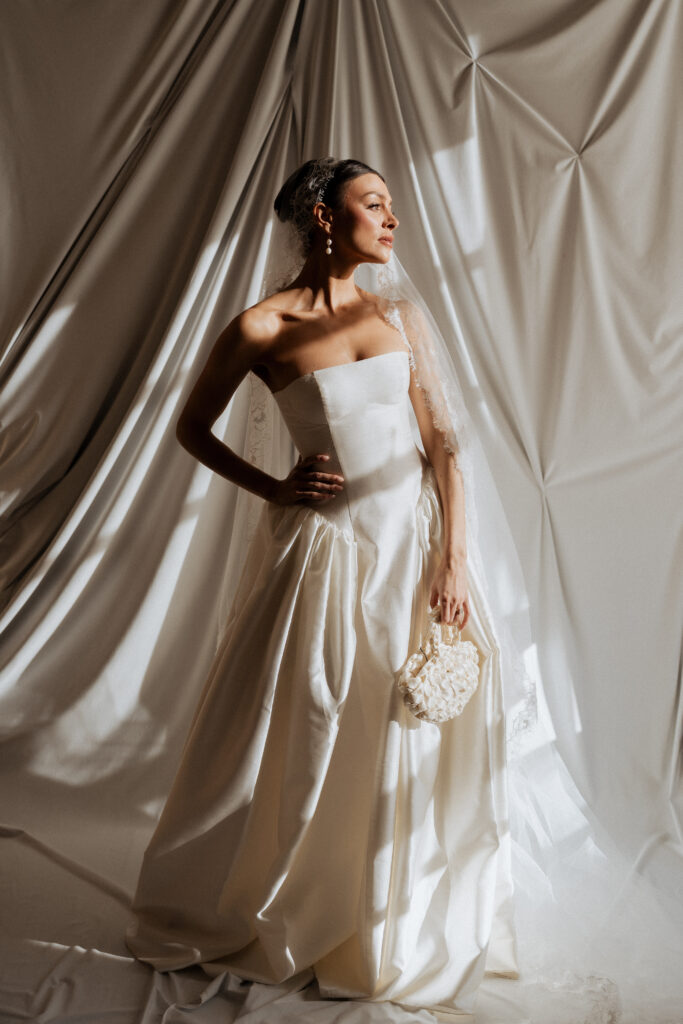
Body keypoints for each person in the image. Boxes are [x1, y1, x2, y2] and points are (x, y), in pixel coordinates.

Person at [125, 157, 521, 1017]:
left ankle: (386, 914)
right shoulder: (261, 327)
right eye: (374, 203)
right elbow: (190, 426)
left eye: (392, 205)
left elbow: (444, 447)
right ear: (321, 214)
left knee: (400, 715)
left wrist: (451, 559)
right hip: (324, 555)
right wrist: (271, 487)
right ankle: (295, 895)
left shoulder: (400, 314)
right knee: (310, 717)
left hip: (408, 549)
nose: (393, 219)